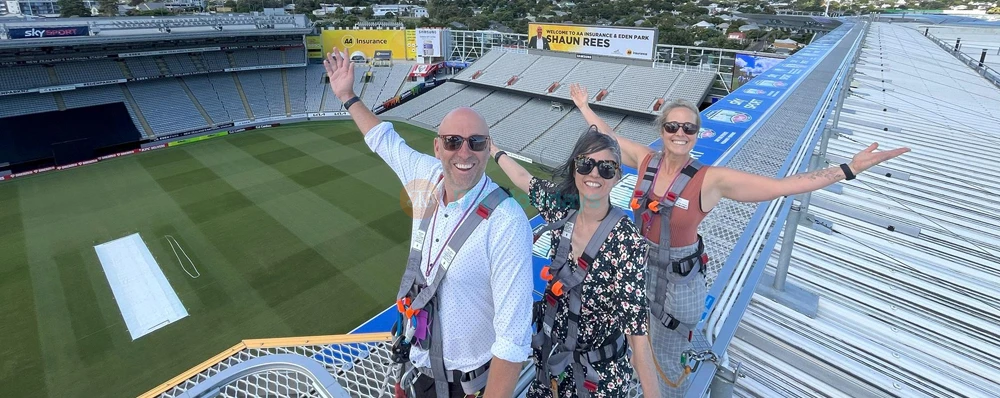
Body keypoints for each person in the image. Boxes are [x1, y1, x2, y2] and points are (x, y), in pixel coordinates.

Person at [568, 83, 910, 396]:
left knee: (667, 358)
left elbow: (780, 187)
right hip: (638, 271)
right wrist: (584, 106)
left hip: (677, 284)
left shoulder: (711, 180)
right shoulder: (645, 161)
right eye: (673, 126)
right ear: (662, 130)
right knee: (635, 344)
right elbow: (607, 135)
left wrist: (847, 169)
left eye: (689, 128)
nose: (680, 133)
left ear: (697, 135)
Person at [324, 48, 535, 398]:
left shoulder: (507, 222)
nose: (464, 152)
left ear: (487, 149)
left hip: (467, 387)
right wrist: (347, 96)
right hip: (416, 370)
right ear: (438, 148)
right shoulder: (426, 176)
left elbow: (513, 342)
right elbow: (384, 140)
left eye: (476, 142)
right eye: (453, 142)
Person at [490, 127, 660, 398]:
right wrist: (493, 150)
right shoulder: (562, 208)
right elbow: (524, 178)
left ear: (617, 176)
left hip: (597, 380)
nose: (594, 173)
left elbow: (637, 338)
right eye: (586, 164)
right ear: (574, 169)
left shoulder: (626, 242)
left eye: (606, 168)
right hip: (551, 367)